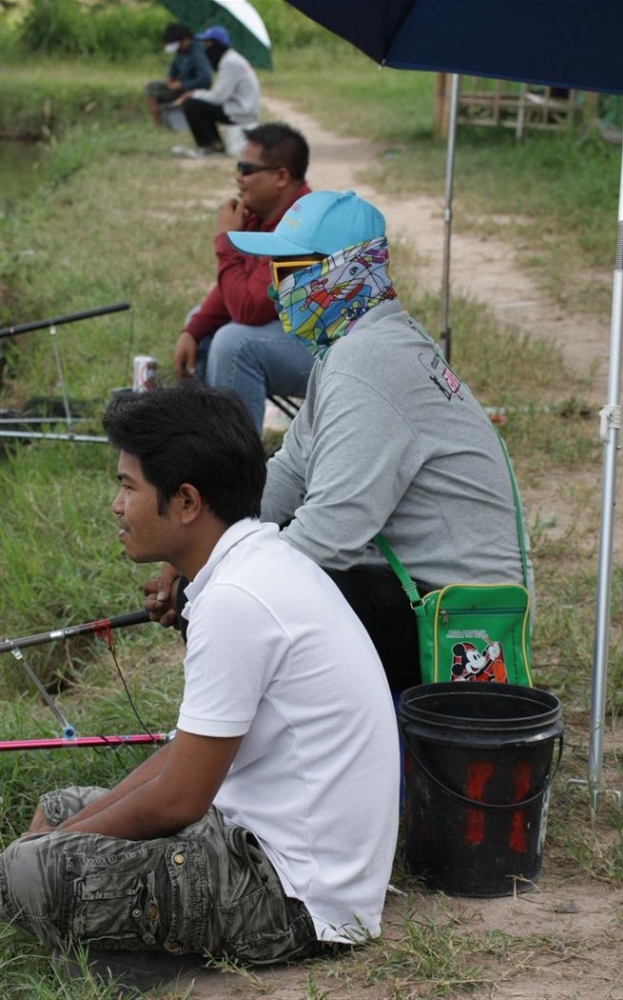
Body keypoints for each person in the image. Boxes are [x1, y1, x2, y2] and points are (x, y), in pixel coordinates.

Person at [0, 384, 400, 991]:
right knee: (56, 816)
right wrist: (62, 834)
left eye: (129, 486)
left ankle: (143, 961)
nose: (116, 505)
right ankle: (125, 945)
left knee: (29, 870)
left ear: (185, 501)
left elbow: (179, 801)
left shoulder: (236, 600)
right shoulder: (250, 565)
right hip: (258, 840)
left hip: (296, 899)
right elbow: (184, 761)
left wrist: (48, 853)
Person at [146, 190, 533, 694]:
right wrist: (193, 551)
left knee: (236, 603)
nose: (273, 288)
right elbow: (289, 470)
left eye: (287, 271)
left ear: (342, 271)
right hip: (415, 591)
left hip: (456, 622)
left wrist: (211, 578)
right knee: (234, 581)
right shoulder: (352, 346)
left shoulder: (367, 362)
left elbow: (329, 533)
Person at [173, 123, 315, 434]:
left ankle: (238, 468)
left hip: (329, 351)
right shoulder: (262, 216)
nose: (238, 177)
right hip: (290, 331)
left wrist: (226, 240)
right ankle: (203, 443)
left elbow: (248, 308)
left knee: (235, 343)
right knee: (203, 323)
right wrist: (193, 330)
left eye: (247, 169)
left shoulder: (302, 226)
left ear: (281, 177)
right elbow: (235, 290)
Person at [170, 26, 261, 159]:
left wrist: (193, 93)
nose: (204, 49)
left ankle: (210, 147)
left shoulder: (229, 62)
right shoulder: (230, 59)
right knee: (198, 102)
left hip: (241, 111)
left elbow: (218, 97)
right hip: (243, 107)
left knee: (192, 105)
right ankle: (214, 144)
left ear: (216, 45)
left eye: (207, 44)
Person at [145, 23, 212, 128]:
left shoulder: (197, 54)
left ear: (185, 40)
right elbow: (174, 69)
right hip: (180, 88)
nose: (177, 50)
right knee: (151, 87)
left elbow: (206, 79)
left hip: (195, 90)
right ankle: (158, 124)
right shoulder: (180, 52)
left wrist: (182, 85)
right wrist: (169, 79)